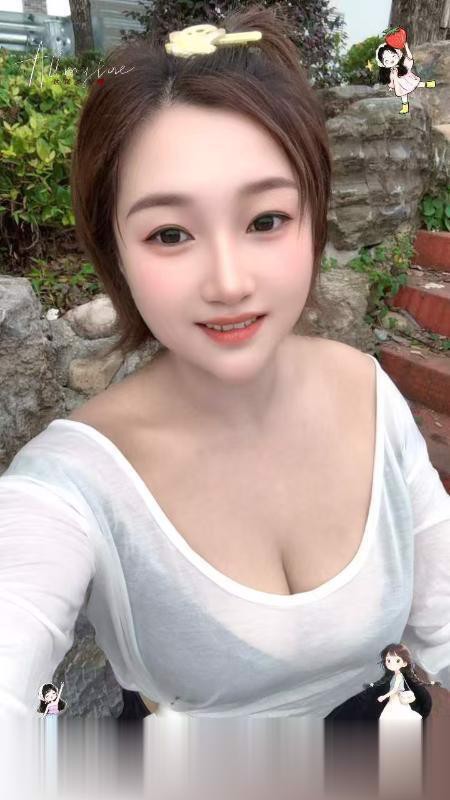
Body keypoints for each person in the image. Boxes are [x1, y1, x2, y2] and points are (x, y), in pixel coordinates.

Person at [1, 3, 449, 720]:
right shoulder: (70, 481)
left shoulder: (368, 391)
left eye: (266, 220)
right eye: (170, 234)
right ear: (115, 249)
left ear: (313, 219)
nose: (229, 282)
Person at [376, 40, 436, 115]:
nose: (391, 60)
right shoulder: (391, 72)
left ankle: (429, 84)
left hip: (407, 79)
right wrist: (391, 86)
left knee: (416, 84)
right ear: (383, 63)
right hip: (399, 85)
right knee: (403, 95)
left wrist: (407, 48)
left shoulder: (402, 65)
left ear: (397, 54)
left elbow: (410, 58)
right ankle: (405, 108)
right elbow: (391, 80)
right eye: (386, 60)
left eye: (393, 56)